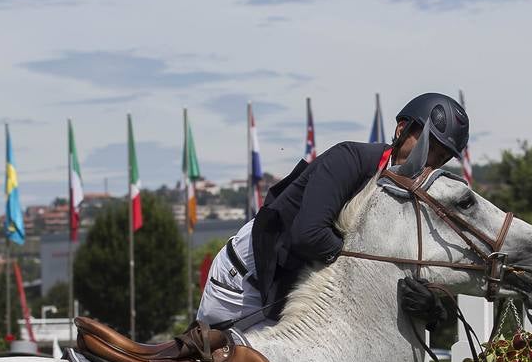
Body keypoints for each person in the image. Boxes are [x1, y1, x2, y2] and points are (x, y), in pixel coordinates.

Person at [197, 92, 469, 328]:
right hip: (245, 284)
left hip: (294, 288)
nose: (429, 162)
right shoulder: (348, 159)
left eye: (441, 158)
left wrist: (431, 306)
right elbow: (309, 234)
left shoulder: (411, 196)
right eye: (427, 147)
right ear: (401, 129)